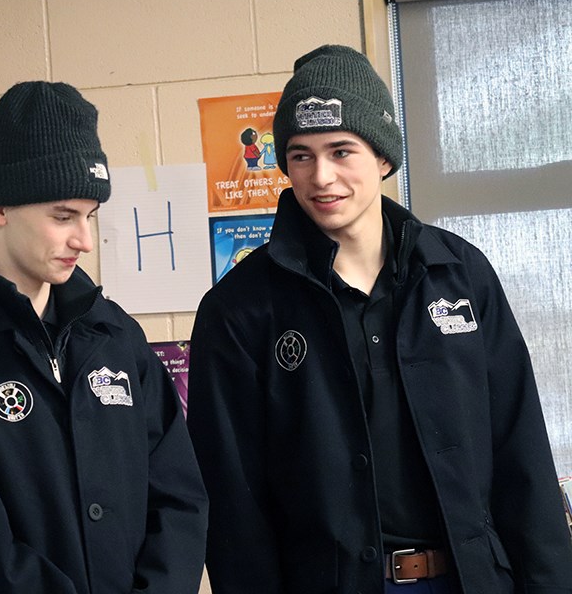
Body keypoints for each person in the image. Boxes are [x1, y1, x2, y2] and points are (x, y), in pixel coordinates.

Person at [187, 45, 572, 594]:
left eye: (341, 151)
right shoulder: (238, 310)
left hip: (472, 579)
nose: (321, 177)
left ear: (384, 158)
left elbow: (520, 449)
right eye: (301, 155)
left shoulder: (459, 274)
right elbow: (233, 503)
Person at [0, 81, 208, 594]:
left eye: (89, 216)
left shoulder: (117, 337)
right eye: (63, 217)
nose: (83, 239)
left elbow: (178, 494)